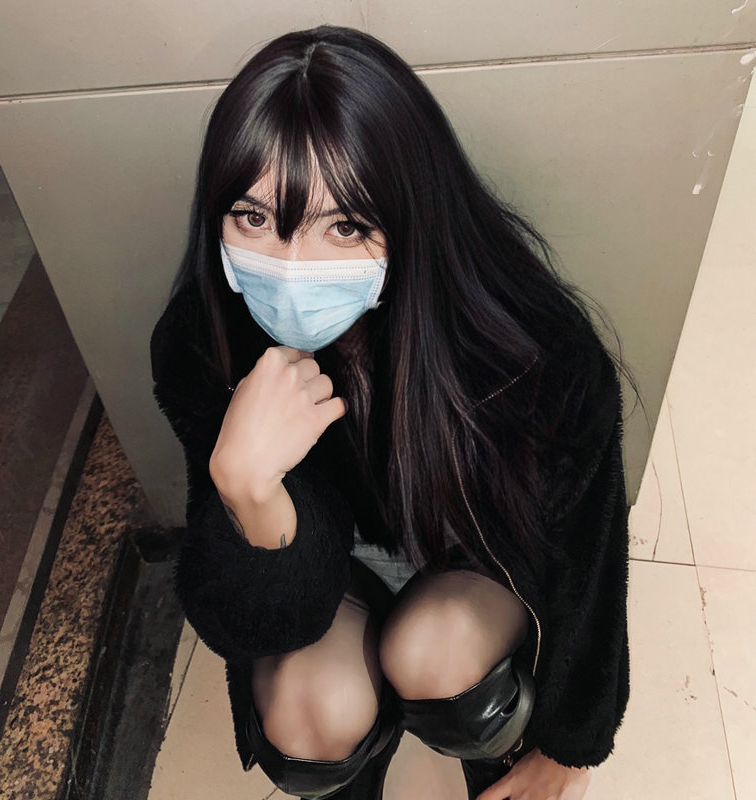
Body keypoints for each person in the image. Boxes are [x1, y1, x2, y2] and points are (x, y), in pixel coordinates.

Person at [151, 25, 629, 800]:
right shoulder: (203, 342)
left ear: (409, 212)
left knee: (436, 653)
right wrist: (246, 488)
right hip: (328, 569)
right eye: (253, 217)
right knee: (309, 711)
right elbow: (243, 626)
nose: (292, 268)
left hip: (477, 565)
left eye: (343, 226)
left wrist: (571, 744)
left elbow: (588, 556)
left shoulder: (530, 351)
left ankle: (487, 746)